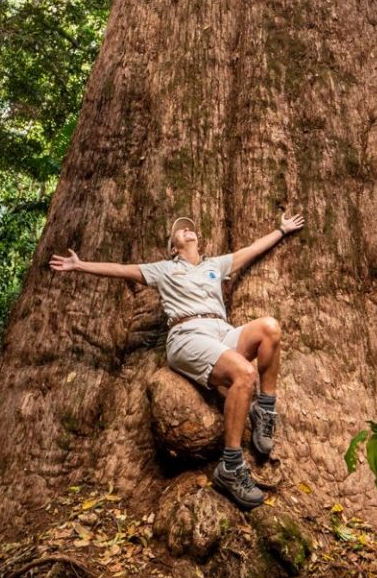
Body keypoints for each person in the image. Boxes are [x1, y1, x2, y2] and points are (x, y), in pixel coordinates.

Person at [49, 211, 304, 509]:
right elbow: (121, 268)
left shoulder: (214, 265)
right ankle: (231, 467)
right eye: (180, 231)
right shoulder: (164, 269)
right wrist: (80, 265)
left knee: (270, 328)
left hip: (221, 331)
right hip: (187, 334)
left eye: (190, 229)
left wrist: (281, 230)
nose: (187, 231)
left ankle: (264, 410)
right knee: (246, 374)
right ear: (173, 247)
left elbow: (251, 251)